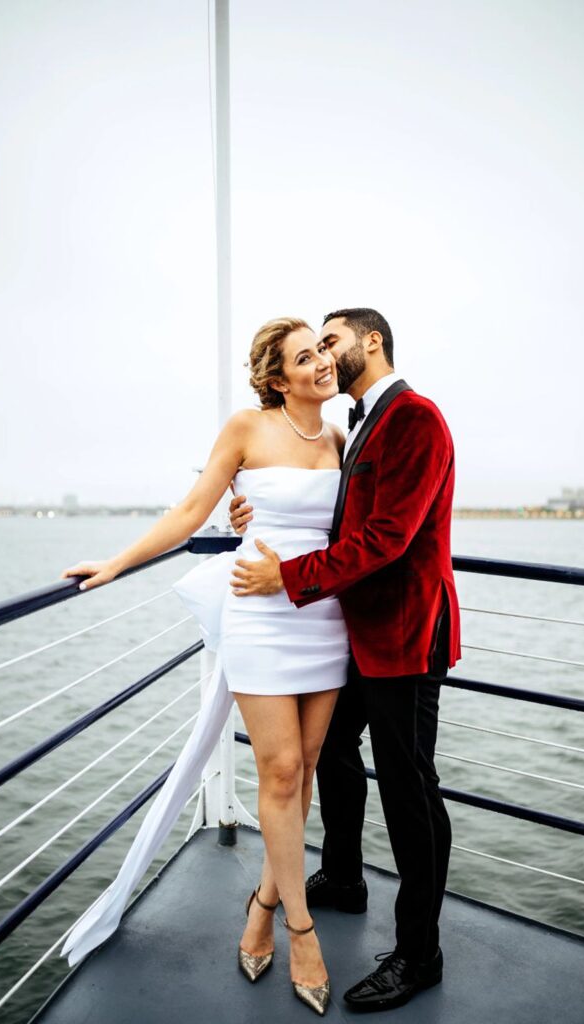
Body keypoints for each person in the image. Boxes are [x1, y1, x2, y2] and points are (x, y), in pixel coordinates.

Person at [58, 317, 352, 1017]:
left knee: (306, 767)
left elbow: (352, 533)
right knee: (278, 771)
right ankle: (299, 932)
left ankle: (261, 903)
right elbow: (192, 510)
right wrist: (118, 562)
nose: (321, 364)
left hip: (322, 613)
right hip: (260, 612)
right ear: (278, 378)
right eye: (304, 357)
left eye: (322, 351)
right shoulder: (247, 428)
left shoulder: (342, 439)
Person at [228, 307, 461, 1013]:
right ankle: (343, 877)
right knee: (325, 754)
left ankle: (419, 954)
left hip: (404, 635)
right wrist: (249, 515)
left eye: (331, 340)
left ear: (371, 340)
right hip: (354, 633)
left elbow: (388, 537)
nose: (325, 354)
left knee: (409, 788)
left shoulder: (415, 417)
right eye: (314, 346)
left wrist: (290, 580)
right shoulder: (357, 424)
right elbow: (331, 515)